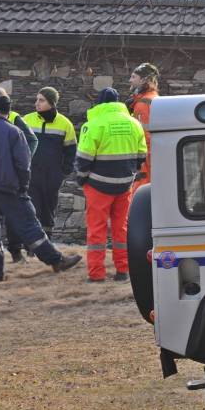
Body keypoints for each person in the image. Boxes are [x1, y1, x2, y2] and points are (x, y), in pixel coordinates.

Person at [0, 94, 81, 282]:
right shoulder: (14, 132)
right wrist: (23, 186)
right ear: (8, 112)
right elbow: (23, 163)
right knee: (29, 225)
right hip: (9, 188)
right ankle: (56, 261)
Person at [75, 88, 148, 283]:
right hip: (125, 185)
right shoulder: (134, 123)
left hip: (98, 185)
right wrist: (130, 174)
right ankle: (123, 270)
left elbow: (83, 159)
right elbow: (142, 155)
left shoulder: (94, 124)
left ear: (99, 103)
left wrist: (82, 179)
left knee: (96, 230)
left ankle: (96, 274)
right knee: (121, 228)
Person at [0, 85, 38, 263]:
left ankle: (16, 251)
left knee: (13, 214)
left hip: (8, 176)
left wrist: (22, 161)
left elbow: (32, 140)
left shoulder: (14, 118)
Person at [22, 87, 77, 241]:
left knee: (48, 210)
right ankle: (32, 244)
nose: (36, 103)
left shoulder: (65, 124)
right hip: (30, 174)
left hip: (52, 176)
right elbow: (16, 145)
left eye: (41, 100)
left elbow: (71, 150)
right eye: (36, 99)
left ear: (52, 103)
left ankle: (46, 242)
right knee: (32, 209)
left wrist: (64, 171)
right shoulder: (26, 120)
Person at [126, 62, 160, 191]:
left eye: (134, 77)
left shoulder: (143, 103)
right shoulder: (148, 99)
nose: (130, 80)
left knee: (140, 192)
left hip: (145, 159)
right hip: (147, 156)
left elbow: (145, 136)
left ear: (143, 80)